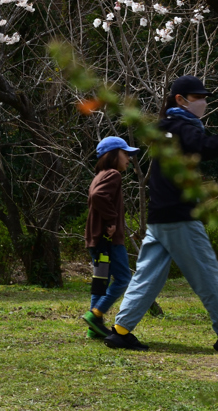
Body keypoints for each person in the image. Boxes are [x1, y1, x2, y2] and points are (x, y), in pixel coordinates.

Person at [105, 76, 218, 352]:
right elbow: (204, 148)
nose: (203, 102)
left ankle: (120, 331)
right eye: (198, 97)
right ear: (180, 100)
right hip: (179, 216)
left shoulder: (164, 128)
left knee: (148, 276)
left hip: (160, 216)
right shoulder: (182, 128)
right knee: (208, 275)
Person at [82, 136, 138, 340]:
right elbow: (98, 196)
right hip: (109, 240)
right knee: (124, 279)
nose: (129, 159)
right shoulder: (113, 174)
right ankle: (95, 314)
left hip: (96, 240)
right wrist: (112, 221)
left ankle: (93, 328)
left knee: (101, 282)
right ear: (113, 155)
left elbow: (96, 195)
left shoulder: (100, 175)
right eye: (125, 154)